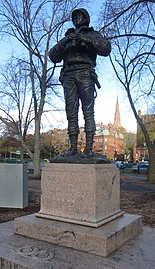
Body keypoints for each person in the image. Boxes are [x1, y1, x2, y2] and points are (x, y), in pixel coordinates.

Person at [49, 8, 111, 157]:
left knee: (88, 111)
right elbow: (53, 56)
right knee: (71, 113)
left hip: (85, 72)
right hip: (68, 74)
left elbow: (106, 48)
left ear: (86, 18)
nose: (77, 18)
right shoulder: (68, 37)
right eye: (75, 16)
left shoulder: (93, 34)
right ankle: (73, 149)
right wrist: (66, 40)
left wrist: (85, 39)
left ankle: (89, 147)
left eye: (80, 16)